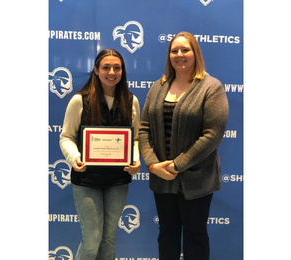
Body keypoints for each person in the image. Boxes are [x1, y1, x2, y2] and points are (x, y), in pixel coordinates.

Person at [139, 32, 229, 260]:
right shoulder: (157, 87)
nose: (179, 55)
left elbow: (213, 135)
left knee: (195, 235)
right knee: (167, 234)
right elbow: (144, 129)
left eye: (185, 50)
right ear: (169, 55)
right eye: (174, 51)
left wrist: (178, 165)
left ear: (195, 53)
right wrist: (152, 165)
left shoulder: (211, 87)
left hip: (196, 180)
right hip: (162, 178)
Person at [60, 48, 141, 260]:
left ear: (122, 71)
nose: (111, 72)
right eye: (106, 67)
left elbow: (134, 139)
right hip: (86, 178)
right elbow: (66, 137)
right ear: (96, 70)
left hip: (118, 179)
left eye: (117, 67)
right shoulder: (79, 100)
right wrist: (73, 157)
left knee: (108, 240)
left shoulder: (131, 101)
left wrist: (136, 159)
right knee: (92, 240)